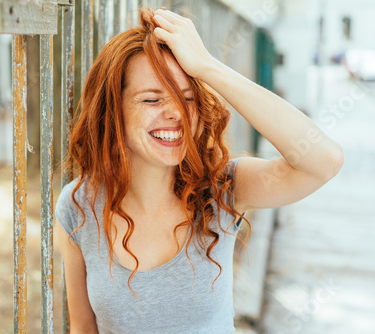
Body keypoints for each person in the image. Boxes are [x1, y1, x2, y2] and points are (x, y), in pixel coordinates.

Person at [55, 8, 343, 334]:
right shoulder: (78, 206)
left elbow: (324, 160)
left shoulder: (224, 188)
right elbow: (82, 327)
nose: (176, 113)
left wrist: (207, 66)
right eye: (151, 100)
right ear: (113, 110)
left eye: (188, 98)